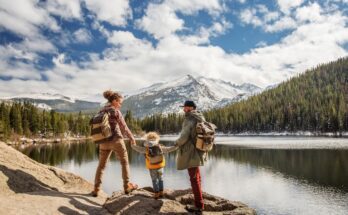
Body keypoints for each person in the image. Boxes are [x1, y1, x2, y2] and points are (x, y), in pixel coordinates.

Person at [91, 90, 138, 197]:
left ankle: (96, 189)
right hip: (116, 140)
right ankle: (127, 187)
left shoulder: (101, 110)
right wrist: (132, 138)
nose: (120, 105)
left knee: (101, 166)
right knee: (124, 163)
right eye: (120, 102)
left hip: (103, 142)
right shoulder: (115, 111)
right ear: (114, 101)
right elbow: (124, 127)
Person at [175, 100, 206, 213]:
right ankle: (200, 202)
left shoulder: (190, 118)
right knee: (197, 177)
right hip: (199, 150)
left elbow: (184, 136)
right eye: (184, 107)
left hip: (190, 152)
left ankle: (199, 206)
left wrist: (176, 143)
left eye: (187, 107)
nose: (184, 109)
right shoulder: (200, 116)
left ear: (192, 108)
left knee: (194, 179)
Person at [131, 132, 177, 199]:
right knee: (161, 179)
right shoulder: (160, 147)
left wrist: (133, 145)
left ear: (147, 139)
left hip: (152, 167)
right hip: (160, 166)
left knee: (154, 180)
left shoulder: (146, 149)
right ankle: (161, 192)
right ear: (157, 139)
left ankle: (156, 194)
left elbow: (138, 149)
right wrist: (176, 146)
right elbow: (169, 149)